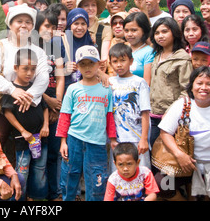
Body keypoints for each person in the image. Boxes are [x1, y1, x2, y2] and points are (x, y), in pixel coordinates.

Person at [0, 4, 49, 145]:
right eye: (19, 21)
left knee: (34, 146)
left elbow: (43, 77)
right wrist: (13, 90)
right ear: (10, 24)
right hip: (2, 104)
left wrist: (26, 96)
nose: (23, 25)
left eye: (28, 22)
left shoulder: (38, 52)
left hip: (30, 105)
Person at [56, 45, 116, 201]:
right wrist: (63, 142)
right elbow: (65, 116)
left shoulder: (106, 89)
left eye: (91, 63)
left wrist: (113, 139)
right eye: (83, 64)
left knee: (97, 180)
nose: (87, 67)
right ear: (77, 66)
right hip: (74, 139)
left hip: (97, 142)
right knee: (69, 176)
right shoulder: (73, 89)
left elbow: (109, 116)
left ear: (99, 65)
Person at [156, 66, 210, 200]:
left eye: (209, 84)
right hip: (184, 164)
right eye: (199, 83)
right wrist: (179, 155)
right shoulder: (182, 105)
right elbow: (165, 132)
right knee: (162, 183)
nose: (204, 88)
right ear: (191, 86)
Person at [2, 49, 49, 201]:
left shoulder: (36, 87)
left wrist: (45, 126)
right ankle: (19, 197)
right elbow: (8, 112)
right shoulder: (12, 90)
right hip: (23, 140)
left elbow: (45, 107)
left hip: (41, 138)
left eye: (33, 69)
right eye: (25, 68)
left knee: (40, 168)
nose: (30, 73)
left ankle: (36, 197)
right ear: (15, 68)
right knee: (23, 169)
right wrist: (22, 131)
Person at [149, 17, 193, 147]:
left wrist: (172, 112)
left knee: (169, 159)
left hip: (172, 117)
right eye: (157, 33)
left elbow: (186, 90)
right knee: (155, 155)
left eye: (164, 32)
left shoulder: (182, 58)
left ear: (174, 33)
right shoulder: (157, 56)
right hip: (154, 114)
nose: (160, 36)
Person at [35, 9, 64, 201]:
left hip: (56, 105)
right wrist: (48, 101)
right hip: (36, 104)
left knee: (54, 153)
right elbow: (28, 82)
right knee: (37, 154)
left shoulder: (56, 47)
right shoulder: (28, 48)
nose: (50, 31)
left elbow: (60, 77)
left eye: (53, 27)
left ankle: (55, 194)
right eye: (47, 26)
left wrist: (57, 104)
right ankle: (36, 194)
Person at [108, 43, 151, 171]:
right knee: (119, 174)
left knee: (141, 172)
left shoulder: (139, 82)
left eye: (123, 60)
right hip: (117, 140)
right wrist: (111, 138)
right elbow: (109, 112)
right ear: (110, 64)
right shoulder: (110, 82)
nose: (119, 65)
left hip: (136, 138)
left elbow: (145, 112)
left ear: (131, 61)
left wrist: (143, 139)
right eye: (115, 61)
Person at [77, 0, 111, 69]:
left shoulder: (105, 29)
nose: (90, 8)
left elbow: (104, 60)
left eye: (93, 5)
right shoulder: (72, 30)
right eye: (86, 5)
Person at [123, 12, 154, 85]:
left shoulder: (149, 52)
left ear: (144, 30)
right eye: (126, 30)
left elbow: (147, 83)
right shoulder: (123, 49)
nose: (129, 34)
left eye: (134, 30)